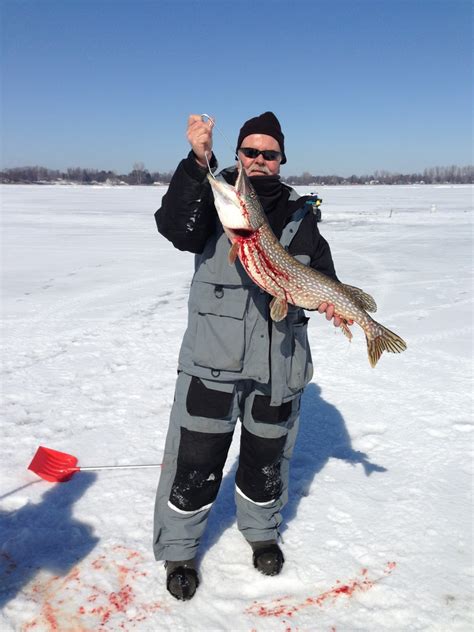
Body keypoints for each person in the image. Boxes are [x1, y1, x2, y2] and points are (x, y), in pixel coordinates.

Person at [153, 112, 345, 601]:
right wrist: (199, 161)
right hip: (212, 364)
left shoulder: (303, 220)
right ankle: (179, 549)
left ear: (282, 160)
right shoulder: (218, 203)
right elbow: (176, 226)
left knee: (266, 460)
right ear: (238, 156)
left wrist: (335, 307)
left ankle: (261, 533)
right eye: (250, 152)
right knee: (194, 462)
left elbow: (323, 279)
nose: (259, 160)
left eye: (269, 153)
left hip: (280, 366)